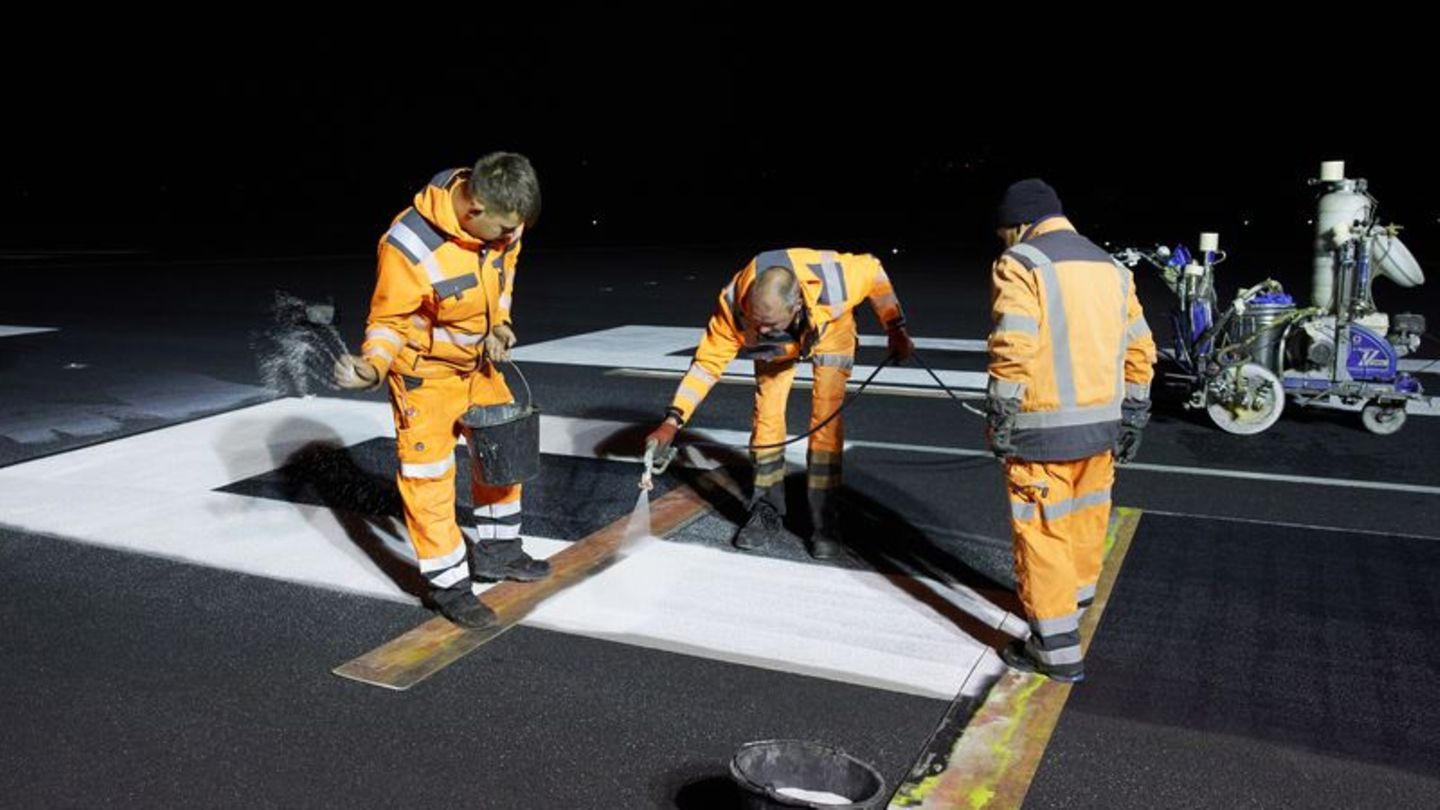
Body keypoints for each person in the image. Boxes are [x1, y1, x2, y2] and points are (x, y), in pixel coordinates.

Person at [333, 153, 547, 629]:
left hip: (478, 364)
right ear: (473, 210)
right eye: (503, 230)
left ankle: (499, 551)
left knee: (501, 453)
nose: (511, 238)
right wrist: (373, 367)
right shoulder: (409, 246)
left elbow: (504, 272)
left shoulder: (505, 222)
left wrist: (500, 324)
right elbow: (389, 321)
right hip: (423, 378)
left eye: (517, 230)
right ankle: (449, 586)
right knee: (429, 479)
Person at [986, 178, 1156, 681]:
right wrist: (1136, 412)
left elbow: (1013, 345)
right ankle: (1072, 610)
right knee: (1085, 522)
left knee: (1043, 533)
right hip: (1101, 429)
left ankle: (1055, 650)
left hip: (1041, 431)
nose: (1005, 244)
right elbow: (1140, 348)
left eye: (1004, 235)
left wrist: (1001, 415)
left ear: (1019, 224)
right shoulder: (1113, 268)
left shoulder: (1021, 263)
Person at [645, 248, 913, 559]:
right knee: (767, 417)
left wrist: (895, 328)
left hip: (830, 329)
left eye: (768, 325)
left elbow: (874, 270)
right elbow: (706, 365)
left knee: (827, 421)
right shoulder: (736, 307)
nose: (759, 332)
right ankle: (766, 507)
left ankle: (824, 520)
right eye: (755, 322)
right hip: (779, 348)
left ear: (796, 305)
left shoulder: (838, 280)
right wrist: (673, 421)